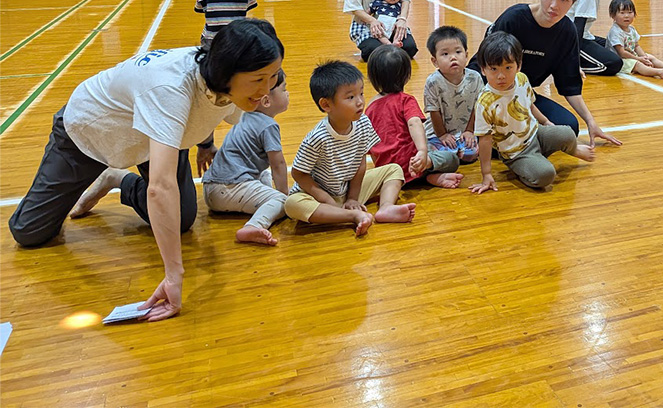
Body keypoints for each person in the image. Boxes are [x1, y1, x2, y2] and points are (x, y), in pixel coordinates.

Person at [8, 18, 285, 322]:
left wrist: (206, 144)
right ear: (225, 71)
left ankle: (118, 179)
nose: (267, 90)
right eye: (259, 79)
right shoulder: (169, 87)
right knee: (30, 232)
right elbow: (160, 187)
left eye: (273, 76)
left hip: (158, 137)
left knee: (181, 220)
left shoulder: (227, 81)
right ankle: (104, 173)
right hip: (93, 132)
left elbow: (209, 107)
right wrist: (173, 276)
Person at [468, 0, 621, 147]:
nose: (554, 6)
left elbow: (569, 85)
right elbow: (486, 62)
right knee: (504, 124)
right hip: (486, 87)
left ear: (573, 1)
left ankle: (513, 142)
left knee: (568, 127)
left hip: (520, 94)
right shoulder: (514, 18)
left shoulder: (567, 32)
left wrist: (591, 122)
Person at [284, 60, 415, 232]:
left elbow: (361, 163)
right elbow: (299, 173)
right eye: (351, 97)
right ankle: (351, 216)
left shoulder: (363, 122)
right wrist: (326, 200)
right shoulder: (317, 137)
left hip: (348, 190)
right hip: (319, 197)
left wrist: (353, 198)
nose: (360, 102)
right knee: (292, 204)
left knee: (393, 169)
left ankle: (386, 208)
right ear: (326, 105)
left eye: (361, 93)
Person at [469, 32, 594, 193]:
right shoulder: (485, 102)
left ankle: (570, 150)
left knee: (567, 132)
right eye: (493, 69)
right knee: (546, 175)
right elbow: (485, 140)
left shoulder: (521, 79)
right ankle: (526, 165)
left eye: (508, 68)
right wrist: (486, 174)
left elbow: (531, 105)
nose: (501, 76)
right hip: (516, 153)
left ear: (518, 66)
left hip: (536, 133)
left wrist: (546, 123)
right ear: (483, 70)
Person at [201, 68, 290, 247]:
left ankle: (265, 200)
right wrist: (284, 196)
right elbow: (278, 164)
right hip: (229, 188)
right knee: (282, 202)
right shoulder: (268, 126)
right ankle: (254, 226)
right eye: (284, 89)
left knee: (263, 173)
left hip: (212, 190)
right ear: (266, 101)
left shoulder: (243, 116)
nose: (288, 93)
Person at [364, 46, 464, 188]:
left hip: (391, 175)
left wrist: (382, 168)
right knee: (452, 159)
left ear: (372, 77)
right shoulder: (405, 100)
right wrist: (422, 152)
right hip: (414, 164)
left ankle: (425, 178)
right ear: (406, 76)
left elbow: (370, 146)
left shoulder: (370, 108)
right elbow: (414, 123)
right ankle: (427, 169)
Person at [423, 25, 483, 164]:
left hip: (465, 131)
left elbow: (478, 107)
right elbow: (434, 111)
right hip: (438, 133)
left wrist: (469, 131)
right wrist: (442, 135)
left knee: (471, 155)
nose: (453, 57)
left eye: (458, 52)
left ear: (466, 55)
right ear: (435, 61)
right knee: (443, 155)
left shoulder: (475, 78)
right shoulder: (433, 82)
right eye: (445, 54)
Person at [607, 0, 663, 79]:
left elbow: (636, 46)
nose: (626, 16)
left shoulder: (631, 29)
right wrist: (639, 59)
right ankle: (659, 72)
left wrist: (645, 57)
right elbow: (622, 53)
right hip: (620, 60)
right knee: (637, 64)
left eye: (630, 12)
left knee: (650, 57)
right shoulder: (615, 32)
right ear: (613, 15)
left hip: (632, 56)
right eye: (622, 13)